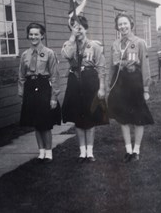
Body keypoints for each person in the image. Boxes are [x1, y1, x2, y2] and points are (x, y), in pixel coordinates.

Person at [61, 15, 109, 162]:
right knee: (78, 118)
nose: (78, 31)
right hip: (75, 81)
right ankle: (82, 152)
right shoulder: (69, 44)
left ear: (86, 29)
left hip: (90, 82)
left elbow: (101, 67)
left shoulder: (94, 46)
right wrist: (71, 38)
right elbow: (66, 56)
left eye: (80, 28)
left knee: (90, 118)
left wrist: (101, 88)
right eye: (74, 28)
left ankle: (90, 152)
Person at [108, 12, 154, 163]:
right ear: (117, 27)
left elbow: (145, 66)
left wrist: (146, 88)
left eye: (125, 23)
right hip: (120, 82)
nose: (123, 27)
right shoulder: (115, 44)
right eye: (120, 24)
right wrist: (110, 85)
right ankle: (128, 150)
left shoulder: (139, 42)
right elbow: (112, 66)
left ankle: (136, 150)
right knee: (123, 118)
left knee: (138, 117)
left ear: (131, 24)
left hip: (135, 81)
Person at [18, 22, 61, 163]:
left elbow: (54, 76)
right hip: (31, 87)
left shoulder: (49, 53)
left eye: (36, 34)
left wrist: (54, 97)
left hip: (44, 87)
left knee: (45, 122)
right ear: (28, 36)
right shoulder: (25, 54)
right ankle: (41, 152)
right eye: (31, 34)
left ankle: (49, 152)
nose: (33, 37)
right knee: (36, 123)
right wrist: (22, 93)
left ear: (42, 35)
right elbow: (21, 76)